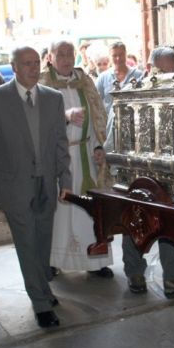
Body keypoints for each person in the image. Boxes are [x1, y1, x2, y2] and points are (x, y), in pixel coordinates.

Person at [0, 46, 72, 329]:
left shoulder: (53, 99)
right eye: (26, 63)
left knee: (42, 243)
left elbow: (60, 143)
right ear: (13, 67)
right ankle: (41, 303)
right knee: (27, 244)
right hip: (13, 187)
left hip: (47, 184)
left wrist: (65, 180)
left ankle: (42, 287)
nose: (32, 68)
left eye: (36, 62)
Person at [38, 40, 114, 279]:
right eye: (60, 54)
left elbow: (99, 116)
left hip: (84, 154)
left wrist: (100, 146)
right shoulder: (42, 83)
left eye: (70, 53)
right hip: (57, 158)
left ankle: (95, 261)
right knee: (59, 212)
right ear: (50, 57)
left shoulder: (85, 81)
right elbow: (36, 121)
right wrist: (65, 117)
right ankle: (52, 260)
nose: (66, 58)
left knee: (89, 208)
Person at [120, 46, 174, 297]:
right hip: (139, 170)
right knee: (136, 221)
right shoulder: (131, 93)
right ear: (150, 68)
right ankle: (135, 272)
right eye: (163, 70)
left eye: (173, 71)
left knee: (171, 223)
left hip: (170, 171)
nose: (169, 76)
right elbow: (116, 130)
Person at [95, 41, 144, 115]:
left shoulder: (138, 75)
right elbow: (95, 103)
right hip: (110, 124)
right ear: (110, 57)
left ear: (126, 54)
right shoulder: (103, 78)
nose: (118, 58)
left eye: (121, 55)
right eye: (114, 56)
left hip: (134, 123)